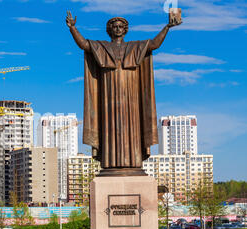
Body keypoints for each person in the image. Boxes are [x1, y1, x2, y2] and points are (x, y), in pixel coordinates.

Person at [66, 11, 182, 175]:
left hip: (131, 96)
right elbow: (84, 44)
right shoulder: (102, 47)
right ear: (109, 30)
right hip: (108, 95)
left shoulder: (135, 47)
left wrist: (167, 27)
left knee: (132, 127)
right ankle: (110, 163)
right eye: (114, 26)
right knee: (109, 127)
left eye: (121, 26)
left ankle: (133, 162)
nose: (118, 29)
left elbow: (154, 44)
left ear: (125, 29)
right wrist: (73, 28)